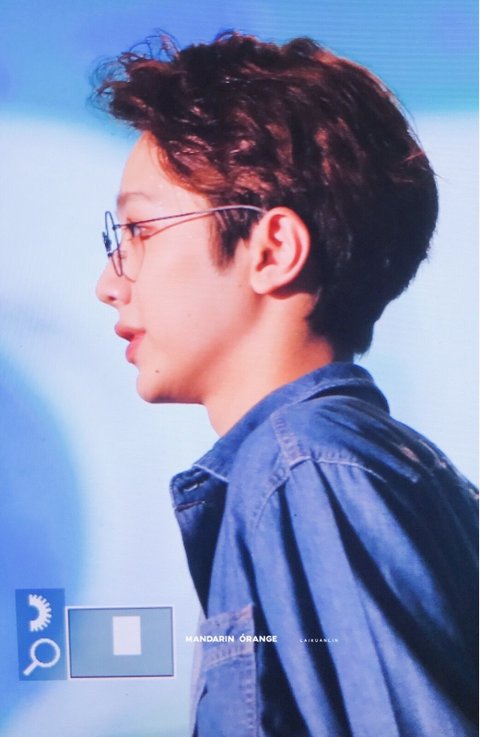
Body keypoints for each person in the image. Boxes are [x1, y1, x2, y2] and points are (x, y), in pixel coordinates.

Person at [94, 32, 478, 737]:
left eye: (141, 230)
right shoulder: (332, 466)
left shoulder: (305, 469)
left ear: (272, 249)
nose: (109, 283)